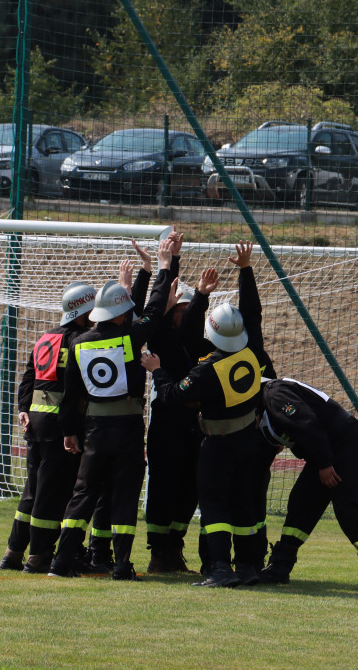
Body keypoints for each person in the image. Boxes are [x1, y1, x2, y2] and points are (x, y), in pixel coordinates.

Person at [47, 235, 177, 581]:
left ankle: (61, 562)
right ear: (121, 316)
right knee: (124, 494)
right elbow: (156, 308)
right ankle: (121, 565)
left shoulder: (77, 343)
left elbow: (70, 394)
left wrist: (70, 432)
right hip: (128, 429)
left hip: (92, 431)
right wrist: (163, 267)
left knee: (83, 494)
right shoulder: (131, 337)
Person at [142, 301, 266, 587]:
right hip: (249, 440)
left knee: (214, 503)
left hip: (219, 443)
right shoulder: (250, 354)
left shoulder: (207, 370)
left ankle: (220, 566)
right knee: (244, 502)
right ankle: (247, 565)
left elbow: (173, 394)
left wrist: (157, 370)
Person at [256, 377, 358, 594]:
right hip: (326, 446)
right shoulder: (271, 395)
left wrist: (324, 464)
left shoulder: (273, 393)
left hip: (342, 443)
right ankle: (280, 566)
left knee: (347, 507)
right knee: (301, 502)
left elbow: (306, 423)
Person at [0, 282, 95, 573]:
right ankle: (38, 557)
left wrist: (22, 409)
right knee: (50, 495)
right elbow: (73, 392)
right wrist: (71, 429)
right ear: (81, 312)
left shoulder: (46, 338)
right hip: (59, 427)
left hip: (36, 425)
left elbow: (29, 376)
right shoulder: (80, 340)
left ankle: (12, 554)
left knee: (32, 491)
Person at [124, 237, 203, 574]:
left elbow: (194, 318)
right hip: (167, 423)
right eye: (179, 309)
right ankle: (159, 552)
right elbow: (158, 307)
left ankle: (175, 546)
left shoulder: (190, 337)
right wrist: (167, 261)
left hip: (192, 424)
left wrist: (198, 294)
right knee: (164, 486)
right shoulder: (158, 336)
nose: (184, 314)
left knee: (189, 487)